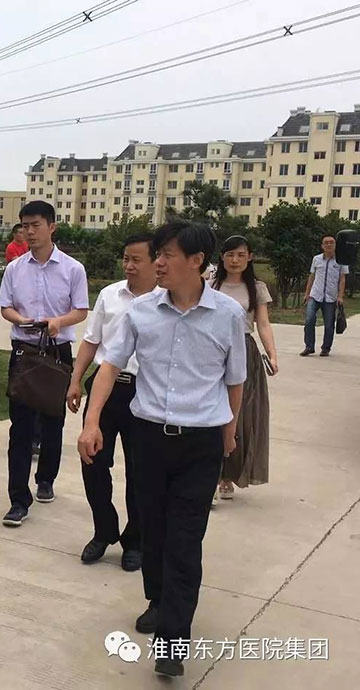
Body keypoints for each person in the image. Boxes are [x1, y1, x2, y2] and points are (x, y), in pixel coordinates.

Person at [78, 220, 246, 678]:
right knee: (153, 532)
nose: (159, 262)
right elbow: (109, 366)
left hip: (200, 444)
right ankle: (158, 599)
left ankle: (173, 640)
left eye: (167, 254)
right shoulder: (141, 311)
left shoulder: (228, 315)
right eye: (158, 254)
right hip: (149, 439)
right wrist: (92, 422)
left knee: (185, 541)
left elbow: (235, 380)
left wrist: (229, 432)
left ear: (197, 261)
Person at [66, 233, 158, 572]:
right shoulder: (110, 294)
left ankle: (136, 540)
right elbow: (91, 342)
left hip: (144, 393)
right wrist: (76, 380)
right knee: (92, 461)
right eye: (125, 258)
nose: (129, 265)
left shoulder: (165, 301)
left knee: (140, 471)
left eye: (136, 260)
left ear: (155, 261)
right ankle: (104, 530)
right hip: (105, 390)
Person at [0, 200, 88, 527]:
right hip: (24, 351)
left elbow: (81, 310)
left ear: (52, 226)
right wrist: (20, 319)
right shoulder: (15, 268)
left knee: (52, 421)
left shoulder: (72, 269)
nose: (29, 232)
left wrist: (58, 322)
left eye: (36, 225)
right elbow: (5, 307)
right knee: (20, 428)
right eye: (25, 226)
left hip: (56, 352)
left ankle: (46, 478)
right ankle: (18, 499)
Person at [211, 235, 278, 500]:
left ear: (249, 257)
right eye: (230, 254)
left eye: (240, 255)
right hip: (214, 352)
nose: (235, 260)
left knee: (239, 416)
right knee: (212, 411)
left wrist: (272, 354)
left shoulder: (257, 288)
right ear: (222, 257)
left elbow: (263, 323)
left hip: (244, 351)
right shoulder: (211, 285)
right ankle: (210, 475)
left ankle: (227, 476)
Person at [301, 234, 348, 357]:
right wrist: (307, 293)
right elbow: (312, 276)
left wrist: (340, 296)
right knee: (309, 320)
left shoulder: (341, 260)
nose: (329, 245)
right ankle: (309, 346)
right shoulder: (316, 259)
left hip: (330, 298)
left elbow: (342, 279)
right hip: (315, 295)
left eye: (331, 242)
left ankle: (326, 348)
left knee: (329, 324)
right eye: (326, 243)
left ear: (335, 245)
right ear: (322, 246)